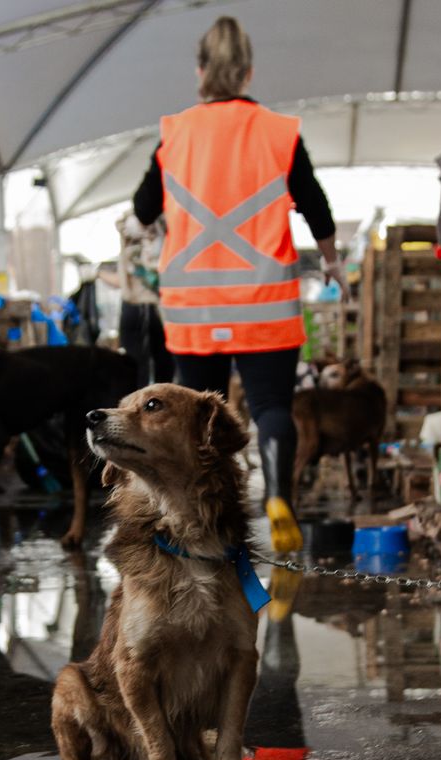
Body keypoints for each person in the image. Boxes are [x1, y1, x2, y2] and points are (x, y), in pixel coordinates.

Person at [132, 15, 345, 555]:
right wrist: (332, 260)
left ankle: (192, 521)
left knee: (191, 413)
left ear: (200, 72)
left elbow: (142, 208)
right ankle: (277, 496)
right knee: (272, 405)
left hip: (193, 306)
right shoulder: (278, 132)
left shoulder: (175, 134)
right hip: (264, 302)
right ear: (248, 72)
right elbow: (315, 204)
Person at [115, 210, 174, 388]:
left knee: (143, 368)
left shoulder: (130, 237)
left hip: (143, 307)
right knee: (159, 368)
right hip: (155, 308)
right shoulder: (161, 234)